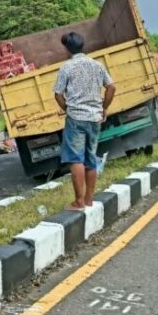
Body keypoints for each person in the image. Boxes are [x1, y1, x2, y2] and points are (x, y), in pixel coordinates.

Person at [53, 32, 116, 211]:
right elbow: (111, 87)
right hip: (95, 118)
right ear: (83, 46)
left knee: (75, 159)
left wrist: (68, 110)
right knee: (90, 158)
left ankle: (79, 201)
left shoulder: (67, 67)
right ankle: (89, 199)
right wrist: (104, 107)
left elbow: (58, 94)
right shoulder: (97, 65)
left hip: (76, 119)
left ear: (67, 49)